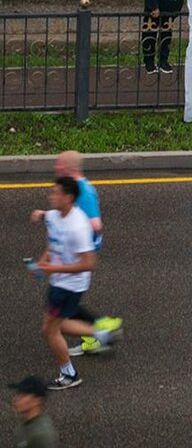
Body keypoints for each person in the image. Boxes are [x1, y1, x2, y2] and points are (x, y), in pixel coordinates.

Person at [29, 151, 122, 357]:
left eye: (59, 166)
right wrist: (47, 216)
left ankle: (99, 333)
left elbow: (96, 225)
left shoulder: (83, 192)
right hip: (68, 261)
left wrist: (76, 231)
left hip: (75, 261)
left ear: (68, 169)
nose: (56, 169)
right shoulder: (75, 191)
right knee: (66, 308)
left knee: (57, 321)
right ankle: (98, 333)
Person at [9, 375, 57, 448]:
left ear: (37, 400)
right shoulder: (24, 420)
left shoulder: (41, 435)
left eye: (23, 395)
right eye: (18, 394)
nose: (16, 399)